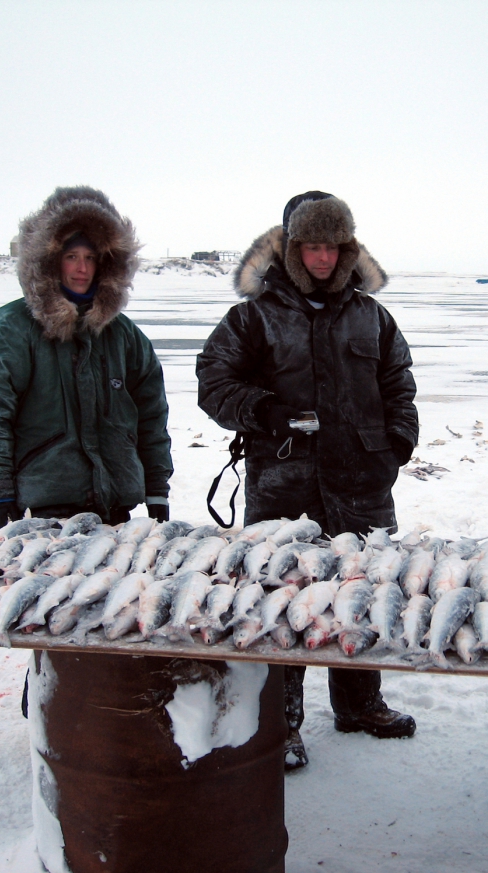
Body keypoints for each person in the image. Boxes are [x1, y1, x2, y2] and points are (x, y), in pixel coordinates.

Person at [196, 191, 419, 770]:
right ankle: (282, 722)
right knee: (283, 594)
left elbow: (400, 381)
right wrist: (261, 409)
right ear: (295, 249)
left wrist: (397, 443)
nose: (323, 258)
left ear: (346, 250)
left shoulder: (371, 314)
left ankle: (359, 703)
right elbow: (212, 379)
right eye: (312, 246)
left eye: (333, 247)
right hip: (284, 482)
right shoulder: (255, 314)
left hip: (363, 480)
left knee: (363, 590)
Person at [0, 185, 173, 534]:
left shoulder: (124, 336)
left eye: (90, 258)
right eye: (71, 256)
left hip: (117, 511)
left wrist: (157, 491)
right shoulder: (14, 327)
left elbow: (151, 419)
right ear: (49, 260)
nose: (81, 268)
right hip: (43, 511)